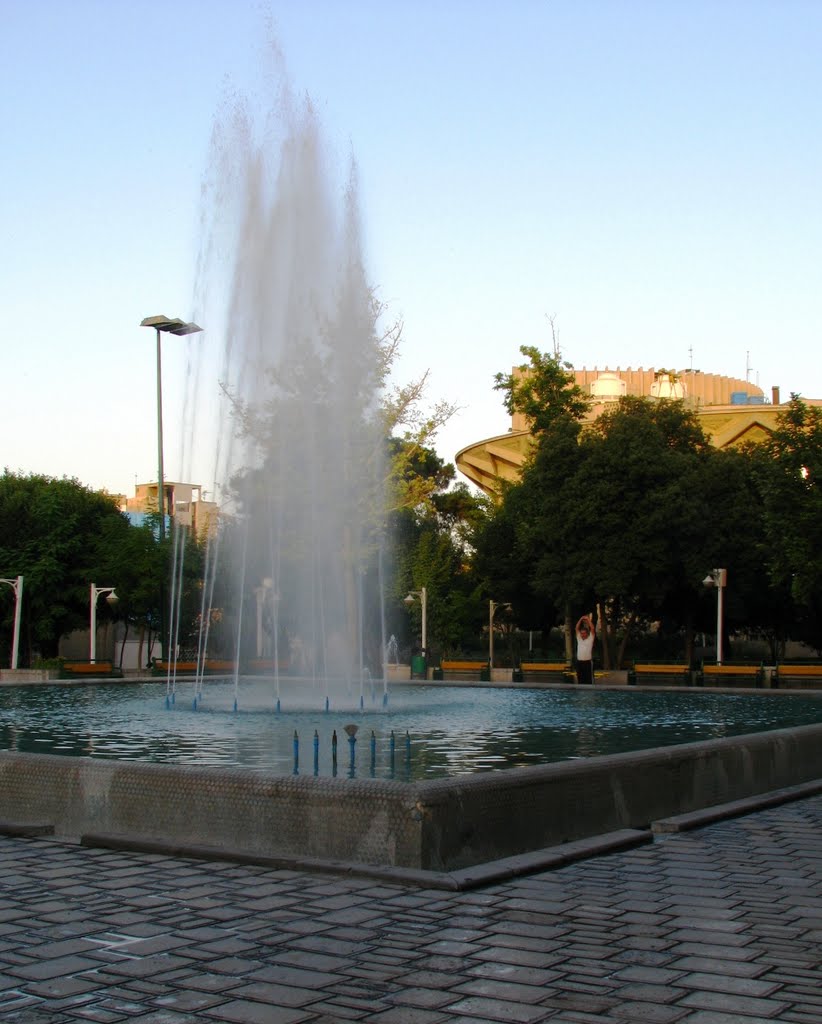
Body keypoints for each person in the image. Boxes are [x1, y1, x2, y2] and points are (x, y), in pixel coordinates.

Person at [575, 615, 596, 685]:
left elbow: (592, 628)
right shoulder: (579, 639)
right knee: (580, 680)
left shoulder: (590, 639)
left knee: (588, 680)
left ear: (587, 634)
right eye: (581, 633)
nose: (582, 635)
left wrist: (588, 619)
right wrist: (580, 619)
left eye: (584, 633)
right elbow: (576, 628)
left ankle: (589, 694)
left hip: (587, 663)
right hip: (579, 663)